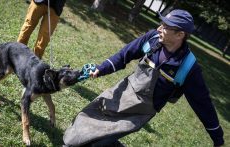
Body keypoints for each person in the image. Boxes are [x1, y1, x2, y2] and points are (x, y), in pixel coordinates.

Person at [63, 9, 225, 146]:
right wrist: (101, 69)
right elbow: (125, 54)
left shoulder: (189, 67)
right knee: (89, 115)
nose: (159, 28)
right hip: (123, 91)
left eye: (166, 27)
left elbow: (202, 103)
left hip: (140, 111)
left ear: (180, 34)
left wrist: (217, 138)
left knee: (100, 141)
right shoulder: (152, 38)